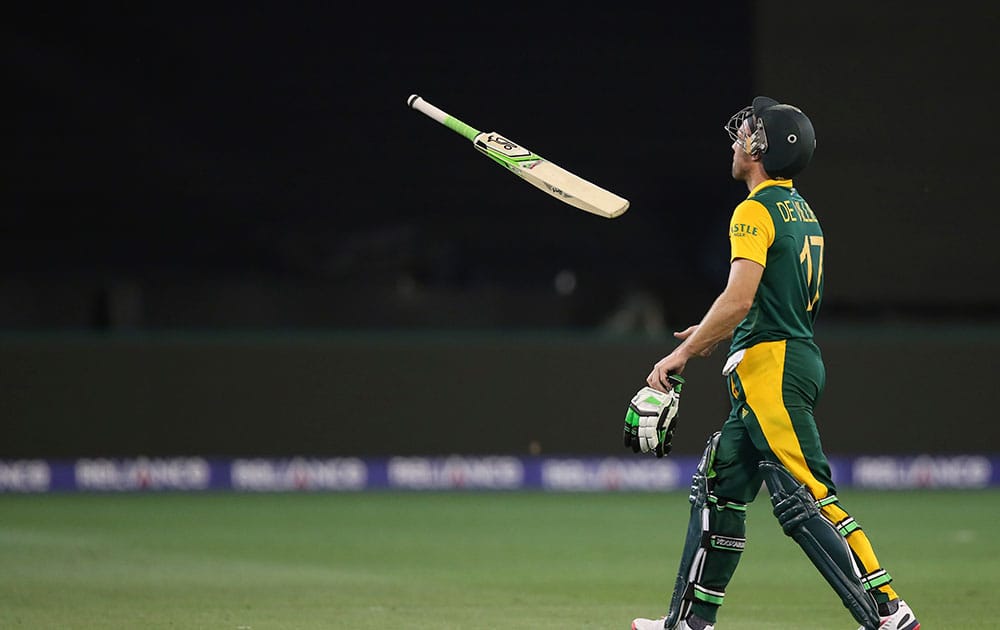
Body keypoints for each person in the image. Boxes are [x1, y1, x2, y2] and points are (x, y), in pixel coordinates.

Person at [629, 97, 920, 630]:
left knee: (808, 496)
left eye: (750, 132)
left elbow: (741, 297)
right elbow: (768, 299)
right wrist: (718, 329)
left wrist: (682, 352)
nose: (739, 138)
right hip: (783, 356)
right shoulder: (802, 211)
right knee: (719, 487)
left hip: (774, 369)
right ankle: (690, 623)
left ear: (764, 149)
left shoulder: (753, 210)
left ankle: (888, 610)